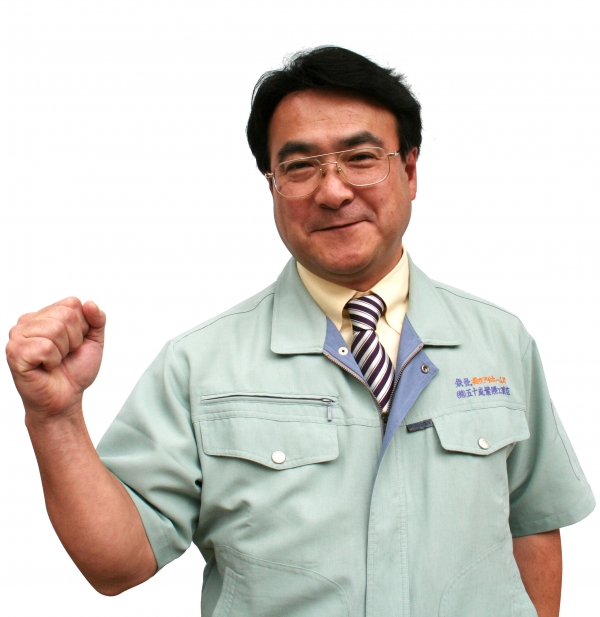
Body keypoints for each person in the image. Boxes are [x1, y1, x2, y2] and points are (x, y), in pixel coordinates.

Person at [6, 46, 594, 617]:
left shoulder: (500, 342)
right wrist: (55, 417)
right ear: (272, 185)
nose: (332, 191)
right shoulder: (200, 364)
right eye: (299, 166)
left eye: (361, 158)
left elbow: (533, 523)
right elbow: (116, 564)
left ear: (410, 170)